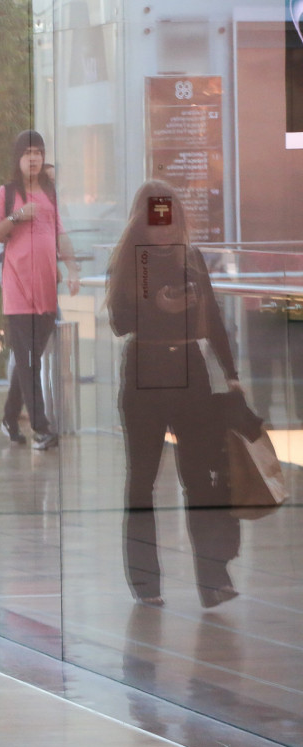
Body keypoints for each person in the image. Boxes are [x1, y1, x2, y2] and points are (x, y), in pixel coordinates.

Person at [106, 179, 242, 608]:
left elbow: (214, 320)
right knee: (142, 480)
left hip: (190, 372)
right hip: (145, 372)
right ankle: (146, 584)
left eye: (170, 217)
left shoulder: (192, 258)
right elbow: (119, 322)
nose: (164, 227)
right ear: (141, 221)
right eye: (155, 217)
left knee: (200, 479)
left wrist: (233, 376)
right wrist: (156, 305)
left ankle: (212, 579)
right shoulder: (129, 260)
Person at [0, 130, 80, 450]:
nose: (34, 158)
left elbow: (60, 234)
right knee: (27, 361)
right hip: (17, 290)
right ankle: (41, 428)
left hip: (46, 291)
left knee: (31, 360)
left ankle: (10, 417)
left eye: (39, 152)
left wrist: (72, 269)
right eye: (28, 153)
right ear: (18, 159)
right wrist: (17, 216)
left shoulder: (49, 193)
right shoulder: (6, 193)